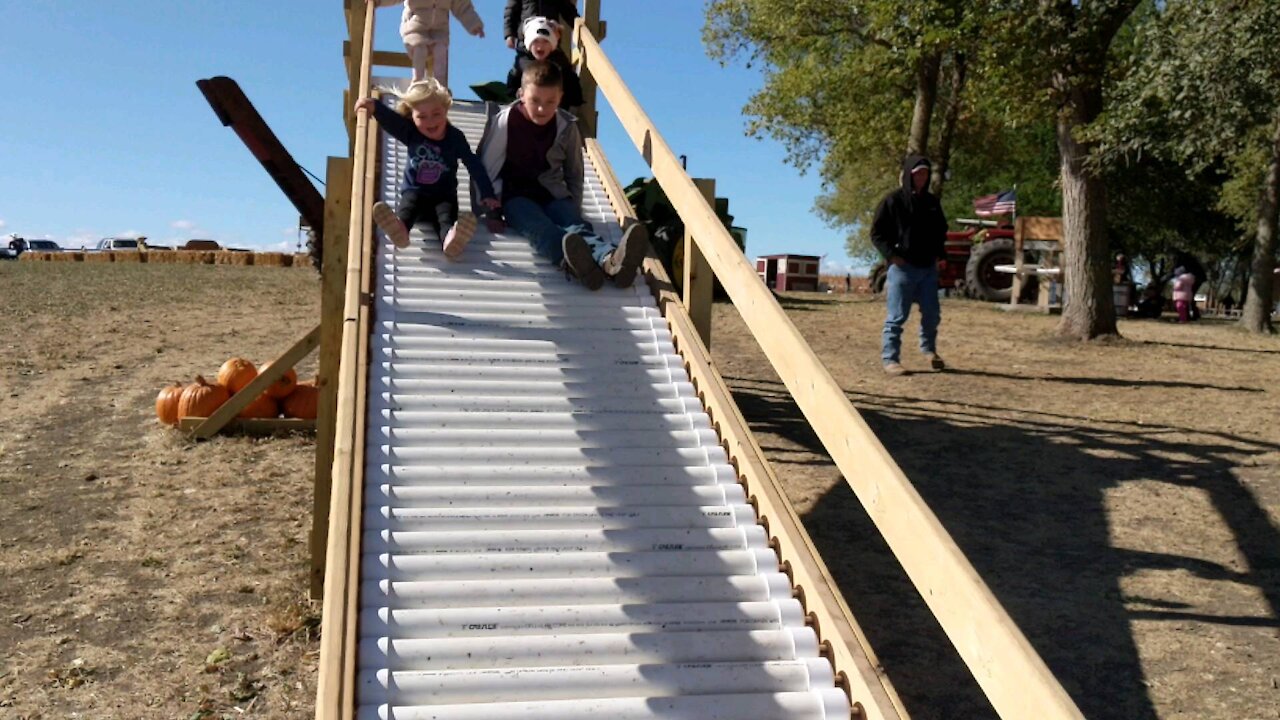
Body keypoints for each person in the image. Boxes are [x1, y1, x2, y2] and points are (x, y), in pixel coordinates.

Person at [478, 61, 649, 290]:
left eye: (550, 102)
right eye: (535, 101)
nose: (542, 108)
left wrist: (573, 207)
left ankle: (610, 262)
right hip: (515, 196)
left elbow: (574, 172)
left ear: (560, 98)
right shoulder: (505, 121)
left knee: (575, 225)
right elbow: (486, 167)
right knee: (540, 227)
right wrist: (492, 211)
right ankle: (574, 264)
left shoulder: (566, 126)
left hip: (552, 192)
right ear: (521, 94)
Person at [354, 79, 500, 256]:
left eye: (436, 114)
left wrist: (487, 193)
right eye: (422, 117)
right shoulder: (411, 133)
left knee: (446, 218)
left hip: (443, 197)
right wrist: (374, 106)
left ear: (446, 110)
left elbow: (473, 163)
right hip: (416, 193)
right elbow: (392, 122)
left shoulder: (455, 138)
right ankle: (401, 230)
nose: (430, 121)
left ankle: (451, 240)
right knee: (408, 207)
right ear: (412, 116)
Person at [870, 155, 949, 376]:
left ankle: (929, 351)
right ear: (908, 175)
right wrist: (892, 256)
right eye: (917, 174)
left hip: (928, 269)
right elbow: (876, 233)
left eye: (925, 173)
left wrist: (941, 255)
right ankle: (891, 360)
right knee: (896, 317)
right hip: (903, 269)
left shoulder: (932, 203)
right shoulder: (893, 201)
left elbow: (940, 231)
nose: (922, 178)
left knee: (932, 314)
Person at [369, 0, 485, 86]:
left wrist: (474, 24)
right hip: (416, 25)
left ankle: (440, 84)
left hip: (440, 28)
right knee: (420, 49)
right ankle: (417, 82)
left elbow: (463, 7)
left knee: (441, 51)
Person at [505, 17, 584, 111]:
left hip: (554, 108)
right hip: (529, 108)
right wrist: (513, 96)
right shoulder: (523, 61)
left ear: (552, 45)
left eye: (546, 41)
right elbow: (513, 80)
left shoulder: (559, 62)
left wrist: (574, 100)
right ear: (528, 44)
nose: (540, 46)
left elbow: (571, 80)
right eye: (535, 41)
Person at [504, 0, 578, 52]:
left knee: (560, 65)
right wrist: (509, 34)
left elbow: (568, 10)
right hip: (527, 38)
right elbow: (511, 12)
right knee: (522, 65)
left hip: (549, 37)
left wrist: (577, 24)